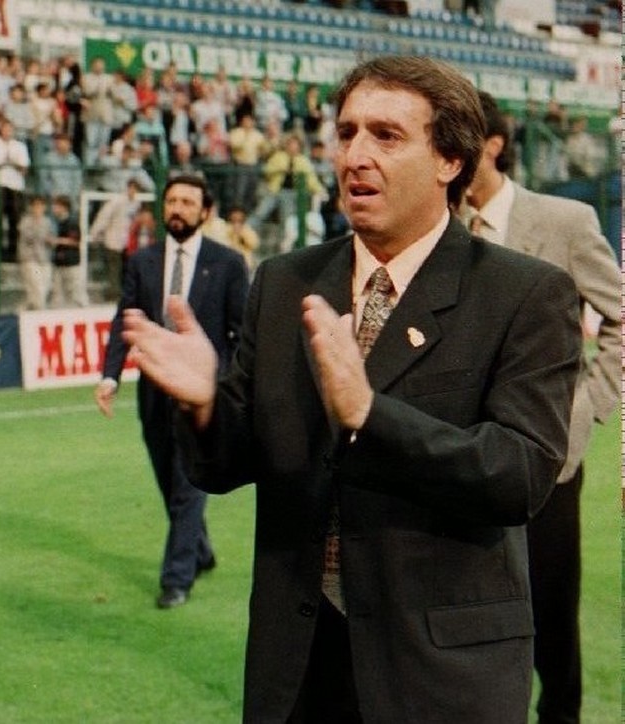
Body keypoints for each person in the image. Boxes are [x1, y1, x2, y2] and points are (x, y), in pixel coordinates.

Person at [119, 57, 581, 722]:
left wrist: (370, 416)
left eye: (386, 136)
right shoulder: (283, 283)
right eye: (346, 133)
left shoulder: (523, 293)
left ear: (451, 159)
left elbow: (519, 475)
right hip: (299, 663)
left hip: (441, 674)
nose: (355, 155)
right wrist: (205, 405)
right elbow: (228, 462)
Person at [463, 91, 621, 724]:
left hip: (548, 461)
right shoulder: (441, 229)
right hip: (461, 458)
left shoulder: (565, 222)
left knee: (553, 622)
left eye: (456, 139)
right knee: (471, 619)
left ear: (493, 145)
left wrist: (582, 413)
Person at [96, 175, 248, 609]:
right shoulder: (142, 261)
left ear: (205, 212)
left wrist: (225, 383)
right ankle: (199, 549)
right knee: (167, 478)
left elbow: (243, 332)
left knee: (187, 483)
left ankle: (176, 578)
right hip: (152, 390)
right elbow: (123, 319)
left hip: (202, 394)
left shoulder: (228, 263)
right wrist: (110, 376)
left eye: (188, 202)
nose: (178, 208)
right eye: (172, 201)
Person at [0, 120, 31, 263]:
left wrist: (13, 163)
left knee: (15, 220)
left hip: (16, 186)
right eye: (5, 129)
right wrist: (3, 162)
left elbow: (24, 168)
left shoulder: (20, 146)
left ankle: (12, 252)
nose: (7, 132)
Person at [89, 178, 143, 301]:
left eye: (136, 189)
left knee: (126, 270)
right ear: (127, 187)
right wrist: (95, 233)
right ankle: (112, 296)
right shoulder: (116, 201)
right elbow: (103, 217)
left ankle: (123, 295)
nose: (133, 191)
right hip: (113, 241)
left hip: (127, 244)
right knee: (114, 270)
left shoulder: (136, 203)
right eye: (132, 188)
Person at [47, 196, 87, 308]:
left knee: (75, 292)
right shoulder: (58, 223)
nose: (54, 208)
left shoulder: (72, 222)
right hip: (60, 263)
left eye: (56, 206)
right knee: (58, 292)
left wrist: (56, 240)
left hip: (71, 263)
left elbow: (75, 241)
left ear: (64, 207)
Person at [16, 195, 54, 311]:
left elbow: (51, 238)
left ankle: (25, 309)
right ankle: (41, 313)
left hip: (44, 258)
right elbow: (30, 236)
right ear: (31, 207)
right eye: (36, 206)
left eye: (41, 206)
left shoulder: (47, 221)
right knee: (38, 287)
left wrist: (51, 241)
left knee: (45, 287)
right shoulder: (25, 221)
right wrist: (44, 235)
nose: (38, 208)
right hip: (30, 258)